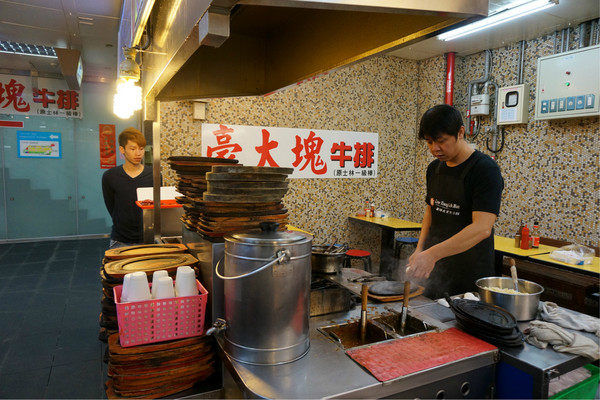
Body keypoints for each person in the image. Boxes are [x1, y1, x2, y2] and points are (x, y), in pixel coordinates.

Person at [406, 104, 504, 299]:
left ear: (460, 132)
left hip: (469, 274)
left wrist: (431, 254)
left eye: (441, 141)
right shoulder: (435, 168)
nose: (435, 148)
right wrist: (420, 250)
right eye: (429, 142)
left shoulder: (485, 170)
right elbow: (430, 211)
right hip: (437, 271)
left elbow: (482, 228)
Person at [102, 127, 153, 249]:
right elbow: (111, 206)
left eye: (141, 149)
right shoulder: (110, 176)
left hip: (148, 238)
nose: (138, 153)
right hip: (120, 239)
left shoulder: (154, 175)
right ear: (122, 149)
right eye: (132, 149)